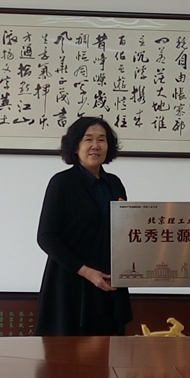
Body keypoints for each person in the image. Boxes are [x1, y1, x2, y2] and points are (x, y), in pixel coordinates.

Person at [35, 116, 132, 336]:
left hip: (109, 284)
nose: (95, 145)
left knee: (109, 353)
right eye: (88, 139)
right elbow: (46, 237)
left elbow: (125, 234)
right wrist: (87, 272)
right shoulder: (61, 183)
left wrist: (181, 215)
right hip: (71, 284)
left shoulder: (114, 183)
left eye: (102, 140)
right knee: (69, 354)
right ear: (75, 145)